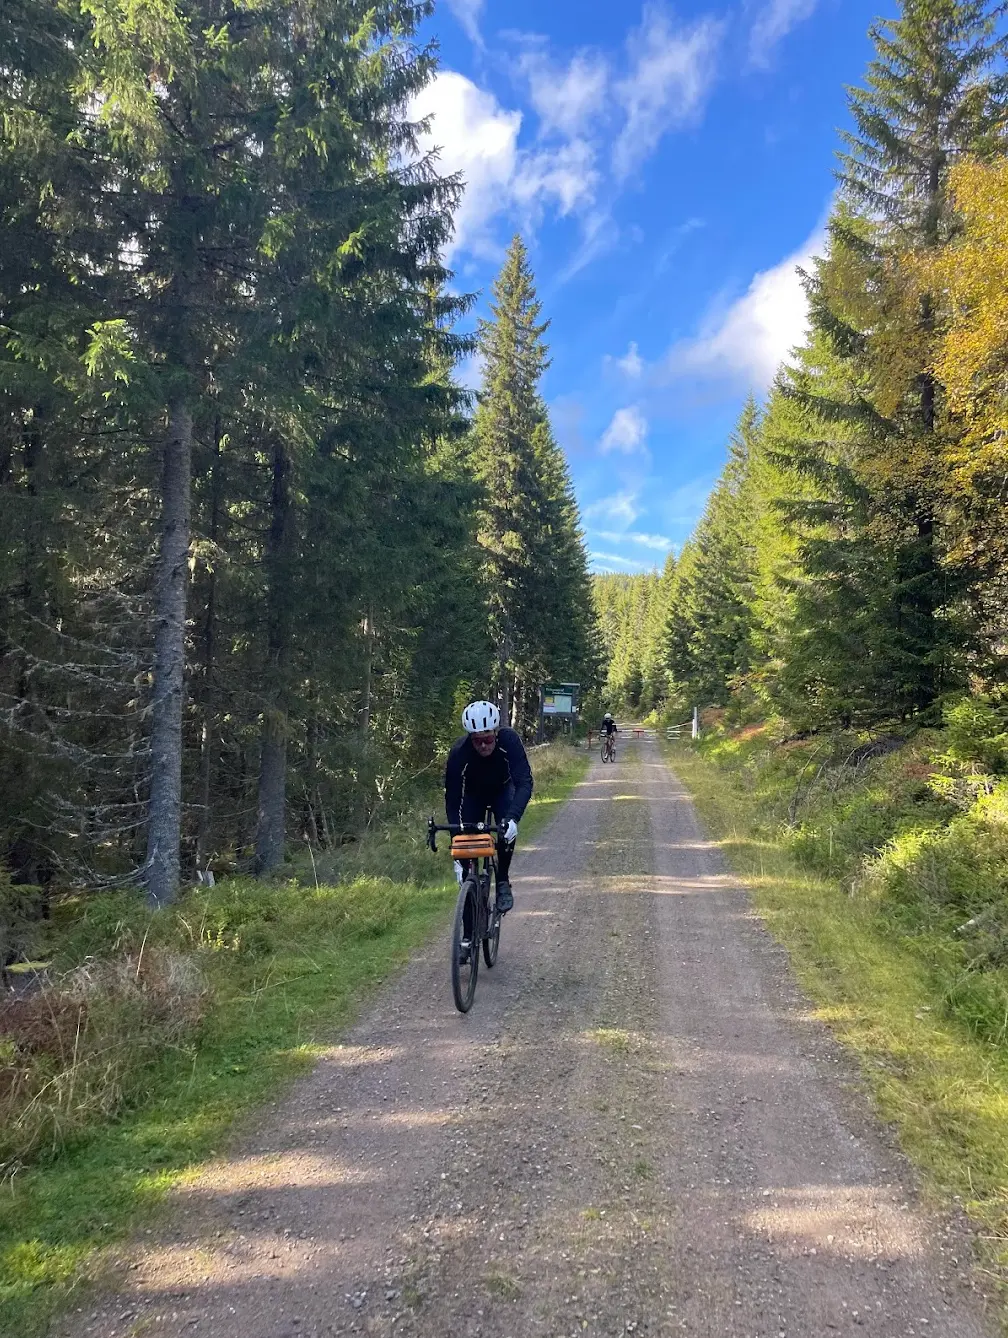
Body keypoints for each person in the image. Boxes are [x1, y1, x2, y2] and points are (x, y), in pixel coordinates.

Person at [444, 700, 533, 913]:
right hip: (474, 794)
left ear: (495, 733)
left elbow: (524, 782)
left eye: (488, 739)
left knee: (505, 830)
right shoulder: (459, 752)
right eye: (477, 741)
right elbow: (453, 800)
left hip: (502, 789)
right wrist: (456, 847)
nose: (483, 745)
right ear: (470, 739)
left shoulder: (509, 740)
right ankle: (469, 907)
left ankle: (502, 880)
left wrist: (513, 819)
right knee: (466, 841)